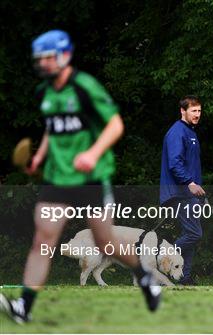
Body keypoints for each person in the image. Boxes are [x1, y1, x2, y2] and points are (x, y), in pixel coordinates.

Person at [0, 30, 162, 324]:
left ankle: (143, 275)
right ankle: (24, 306)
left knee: (105, 242)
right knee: (43, 241)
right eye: (40, 59)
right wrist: (39, 156)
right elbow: (52, 127)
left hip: (90, 178)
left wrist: (92, 153)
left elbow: (114, 125)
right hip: (57, 179)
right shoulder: (45, 92)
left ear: (64, 56)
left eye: (48, 57)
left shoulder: (85, 87)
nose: (43, 63)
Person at [160, 95, 204, 286]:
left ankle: (184, 277)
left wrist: (200, 193)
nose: (197, 114)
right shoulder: (177, 132)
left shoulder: (191, 132)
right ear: (182, 111)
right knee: (194, 234)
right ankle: (161, 257)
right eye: (193, 111)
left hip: (190, 193)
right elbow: (175, 164)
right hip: (179, 193)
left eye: (199, 111)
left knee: (191, 237)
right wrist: (190, 183)